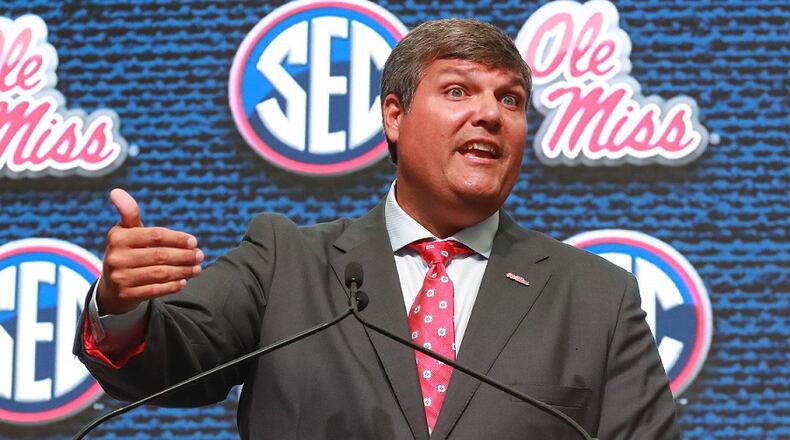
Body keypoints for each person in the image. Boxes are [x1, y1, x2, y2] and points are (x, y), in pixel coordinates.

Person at [74, 18, 680, 440]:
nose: (491, 114)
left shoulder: (597, 296)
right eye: (458, 90)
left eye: (512, 100)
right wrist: (122, 307)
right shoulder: (285, 262)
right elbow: (162, 367)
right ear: (394, 115)